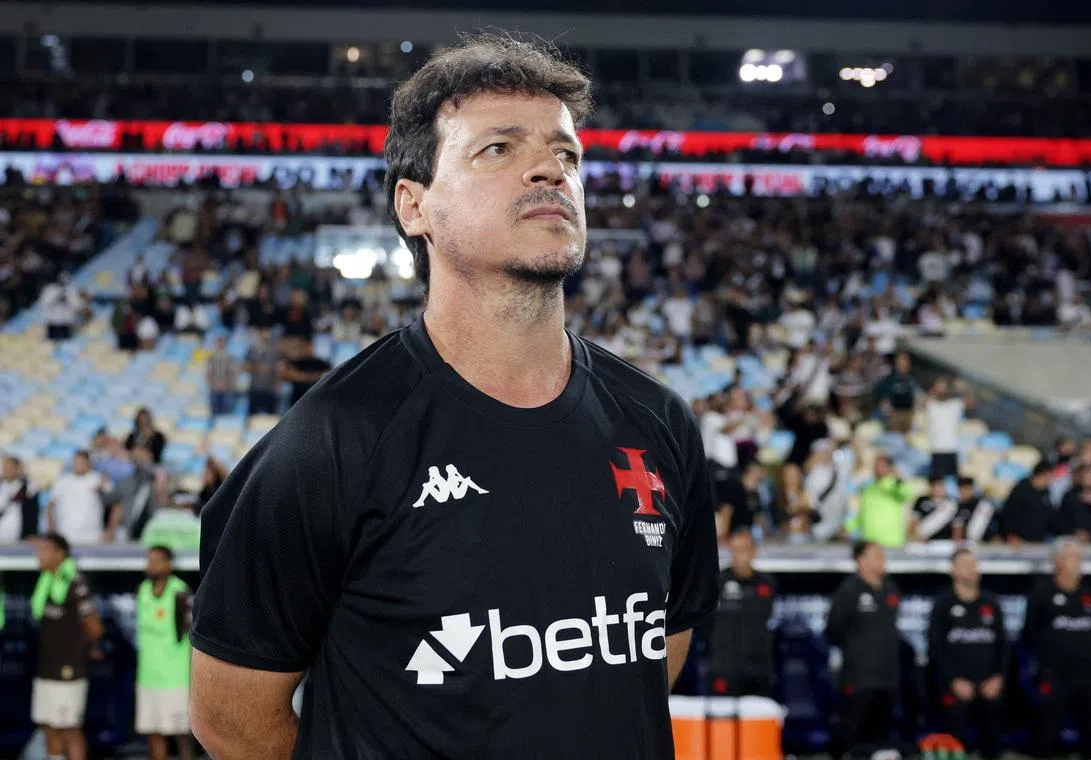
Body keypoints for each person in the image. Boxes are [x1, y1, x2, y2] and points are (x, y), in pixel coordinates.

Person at [189, 35, 719, 760]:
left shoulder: (658, 422)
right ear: (414, 207)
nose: (548, 170)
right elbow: (232, 719)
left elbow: (653, 656)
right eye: (498, 149)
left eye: (567, 154)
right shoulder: (336, 437)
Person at [1022, 539, 1091, 759]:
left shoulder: (1090, 594)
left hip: (1086, 674)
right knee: (1046, 734)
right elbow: (1030, 632)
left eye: (1080, 557)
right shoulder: (1042, 594)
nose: (1078, 563)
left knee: (1090, 733)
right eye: (1072, 557)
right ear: (1057, 561)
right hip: (1054, 675)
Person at [926, 548, 1007, 759]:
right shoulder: (943, 604)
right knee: (954, 744)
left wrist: (998, 677)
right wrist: (953, 680)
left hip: (990, 685)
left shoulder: (991, 603)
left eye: (973, 565)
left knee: (992, 743)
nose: (971, 570)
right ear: (953, 570)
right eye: (964, 565)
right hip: (955, 686)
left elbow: (1003, 646)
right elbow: (935, 648)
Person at [825, 541, 901, 759]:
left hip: (887, 677)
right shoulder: (849, 590)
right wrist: (857, 652)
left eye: (882, 554)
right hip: (858, 678)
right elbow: (833, 630)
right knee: (850, 731)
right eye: (876, 555)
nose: (882, 559)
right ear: (861, 561)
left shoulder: (891, 588)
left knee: (880, 737)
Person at [31, 533, 103, 760]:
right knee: (48, 725)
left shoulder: (75, 581)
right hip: (46, 668)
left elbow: (95, 628)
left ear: (60, 554)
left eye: (44, 550)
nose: (38, 556)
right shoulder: (47, 580)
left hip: (68, 671)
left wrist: (78, 650)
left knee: (69, 729)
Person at [137, 546, 195, 760]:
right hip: (148, 676)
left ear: (169, 565)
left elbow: (193, 635)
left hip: (175, 678)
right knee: (153, 733)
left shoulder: (180, 593)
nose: (150, 566)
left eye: (156, 561)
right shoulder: (143, 590)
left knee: (181, 734)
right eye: (148, 560)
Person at [709, 529, 777, 697]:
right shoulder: (717, 581)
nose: (738, 555)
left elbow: (768, 619)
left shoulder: (767, 585)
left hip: (758, 669)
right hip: (724, 667)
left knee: (758, 719)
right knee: (722, 720)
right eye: (734, 549)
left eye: (743, 549)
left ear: (754, 552)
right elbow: (704, 622)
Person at [850, 455, 913, 548]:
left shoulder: (894, 485)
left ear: (890, 468)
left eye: (881, 466)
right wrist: (848, 526)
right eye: (876, 466)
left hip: (890, 542)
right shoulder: (868, 488)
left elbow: (905, 493)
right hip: (869, 541)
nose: (877, 469)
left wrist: (898, 479)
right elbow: (863, 513)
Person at [46, 451, 107, 546]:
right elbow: (51, 505)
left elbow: (114, 502)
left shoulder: (98, 479)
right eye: (76, 462)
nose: (78, 465)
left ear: (88, 463)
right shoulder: (62, 481)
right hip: (65, 533)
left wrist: (109, 529)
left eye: (81, 462)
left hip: (92, 534)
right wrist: (50, 526)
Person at [924, 377, 971, 480]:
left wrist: (963, 389)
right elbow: (923, 401)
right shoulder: (932, 405)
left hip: (952, 448)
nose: (942, 389)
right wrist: (936, 388)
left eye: (944, 387)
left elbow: (970, 403)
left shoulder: (955, 404)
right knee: (938, 480)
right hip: (937, 449)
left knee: (953, 479)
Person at [999, 462, 1054, 545]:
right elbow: (1007, 514)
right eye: (1050, 476)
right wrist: (1010, 535)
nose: (1052, 480)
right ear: (1043, 474)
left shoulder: (1046, 493)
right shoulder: (1021, 489)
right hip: (1018, 543)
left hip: (1038, 543)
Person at [910, 476, 960, 542]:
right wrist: (917, 537)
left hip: (945, 541)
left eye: (940, 486)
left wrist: (956, 540)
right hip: (924, 541)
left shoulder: (951, 502)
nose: (937, 489)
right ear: (930, 487)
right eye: (935, 486)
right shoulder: (921, 500)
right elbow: (914, 520)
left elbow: (957, 525)